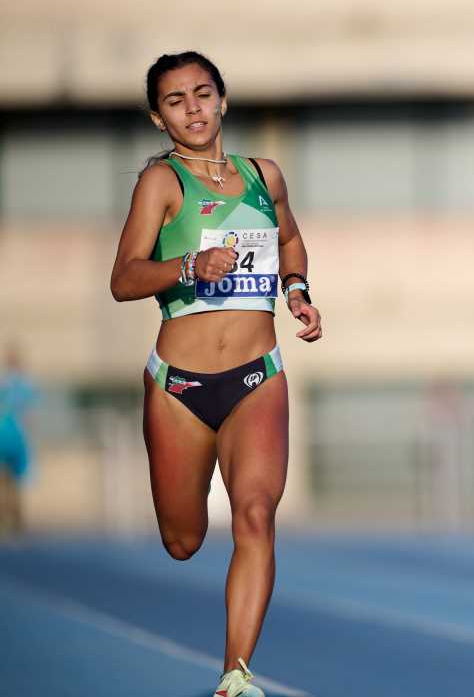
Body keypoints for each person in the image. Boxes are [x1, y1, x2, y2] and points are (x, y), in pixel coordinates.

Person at [110, 52, 322, 697]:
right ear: (158, 116)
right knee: (183, 539)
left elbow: (288, 239)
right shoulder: (162, 184)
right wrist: (187, 269)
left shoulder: (264, 175)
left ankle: (236, 675)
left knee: (255, 515)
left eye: (204, 94)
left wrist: (298, 290)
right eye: (176, 101)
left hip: (259, 375)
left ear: (223, 101)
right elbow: (123, 279)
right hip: (180, 386)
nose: (193, 109)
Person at [0, 343, 37, 535]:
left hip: (14, 437)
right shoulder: (8, 383)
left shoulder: (19, 384)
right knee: (7, 481)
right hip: (7, 436)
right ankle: (9, 519)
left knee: (14, 481)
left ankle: (15, 520)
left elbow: (29, 413)